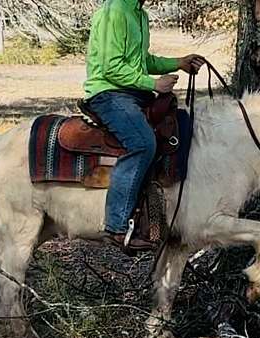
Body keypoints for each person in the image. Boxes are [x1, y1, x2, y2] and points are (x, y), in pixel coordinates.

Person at [84, 0, 205, 251]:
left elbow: (142, 61)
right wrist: (153, 84)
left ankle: (161, 220)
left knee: (180, 123)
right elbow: (110, 67)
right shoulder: (115, 11)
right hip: (108, 93)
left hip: (131, 93)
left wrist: (178, 62)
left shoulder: (139, 14)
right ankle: (116, 227)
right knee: (142, 143)